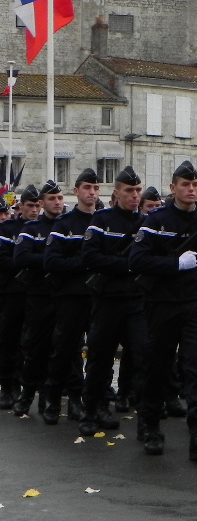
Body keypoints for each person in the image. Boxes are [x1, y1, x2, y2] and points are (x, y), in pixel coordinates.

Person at [129, 160, 197, 461]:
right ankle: (151, 424)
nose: (192, 189)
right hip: (162, 304)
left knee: (196, 368)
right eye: (185, 184)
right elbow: (137, 260)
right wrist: (173, 265)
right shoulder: (156, 220)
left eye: (195, 185)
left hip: (195, 303)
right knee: (158, 367)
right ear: (173, 188)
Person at [79, 165, 146, 437]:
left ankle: (146, 415)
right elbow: (90, 257)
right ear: (116, 193)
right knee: (100, 358)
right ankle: (92, 409)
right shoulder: (102, 220)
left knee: (143, 357)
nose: (135, 196)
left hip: (136, 301)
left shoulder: (145, 222)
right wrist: (126, 265)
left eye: (138, 191)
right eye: (129, 191)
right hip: (107, 300)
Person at [42, 168, 102, 425]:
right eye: (87, 188)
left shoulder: (103, 222)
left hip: (98, 296)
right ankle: (54, 400)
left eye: (95, 188)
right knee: (65, 349)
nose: (92, 192)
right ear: (76, 191)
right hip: (71, 295)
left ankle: (86, 402)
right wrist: (85, 263)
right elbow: (51, 260)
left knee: (99, 351)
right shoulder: (64, 224)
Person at [12, 180, 65, 418]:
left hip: (64, 296)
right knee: (34, 348)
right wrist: (53, 259)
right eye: (52, 199)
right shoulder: (31, 230)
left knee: (62, 349)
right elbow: (21, 257)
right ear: (42, 203)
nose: (57, 203)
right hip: (38, 296)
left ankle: (50, 395)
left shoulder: (68, 226)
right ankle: (27, 394)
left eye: (60, 198)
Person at [0, 186, 40, 410]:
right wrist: (27, 261)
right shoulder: (8, 229)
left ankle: (30, 384)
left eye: (37, 205)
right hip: (13, 292)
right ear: (21, 206)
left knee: (34, 342)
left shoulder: (44, 228)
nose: (34, 210)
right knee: (10, 340)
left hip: (37, 293)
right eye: (30, 206)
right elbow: (3, 260)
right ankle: (8, 385)